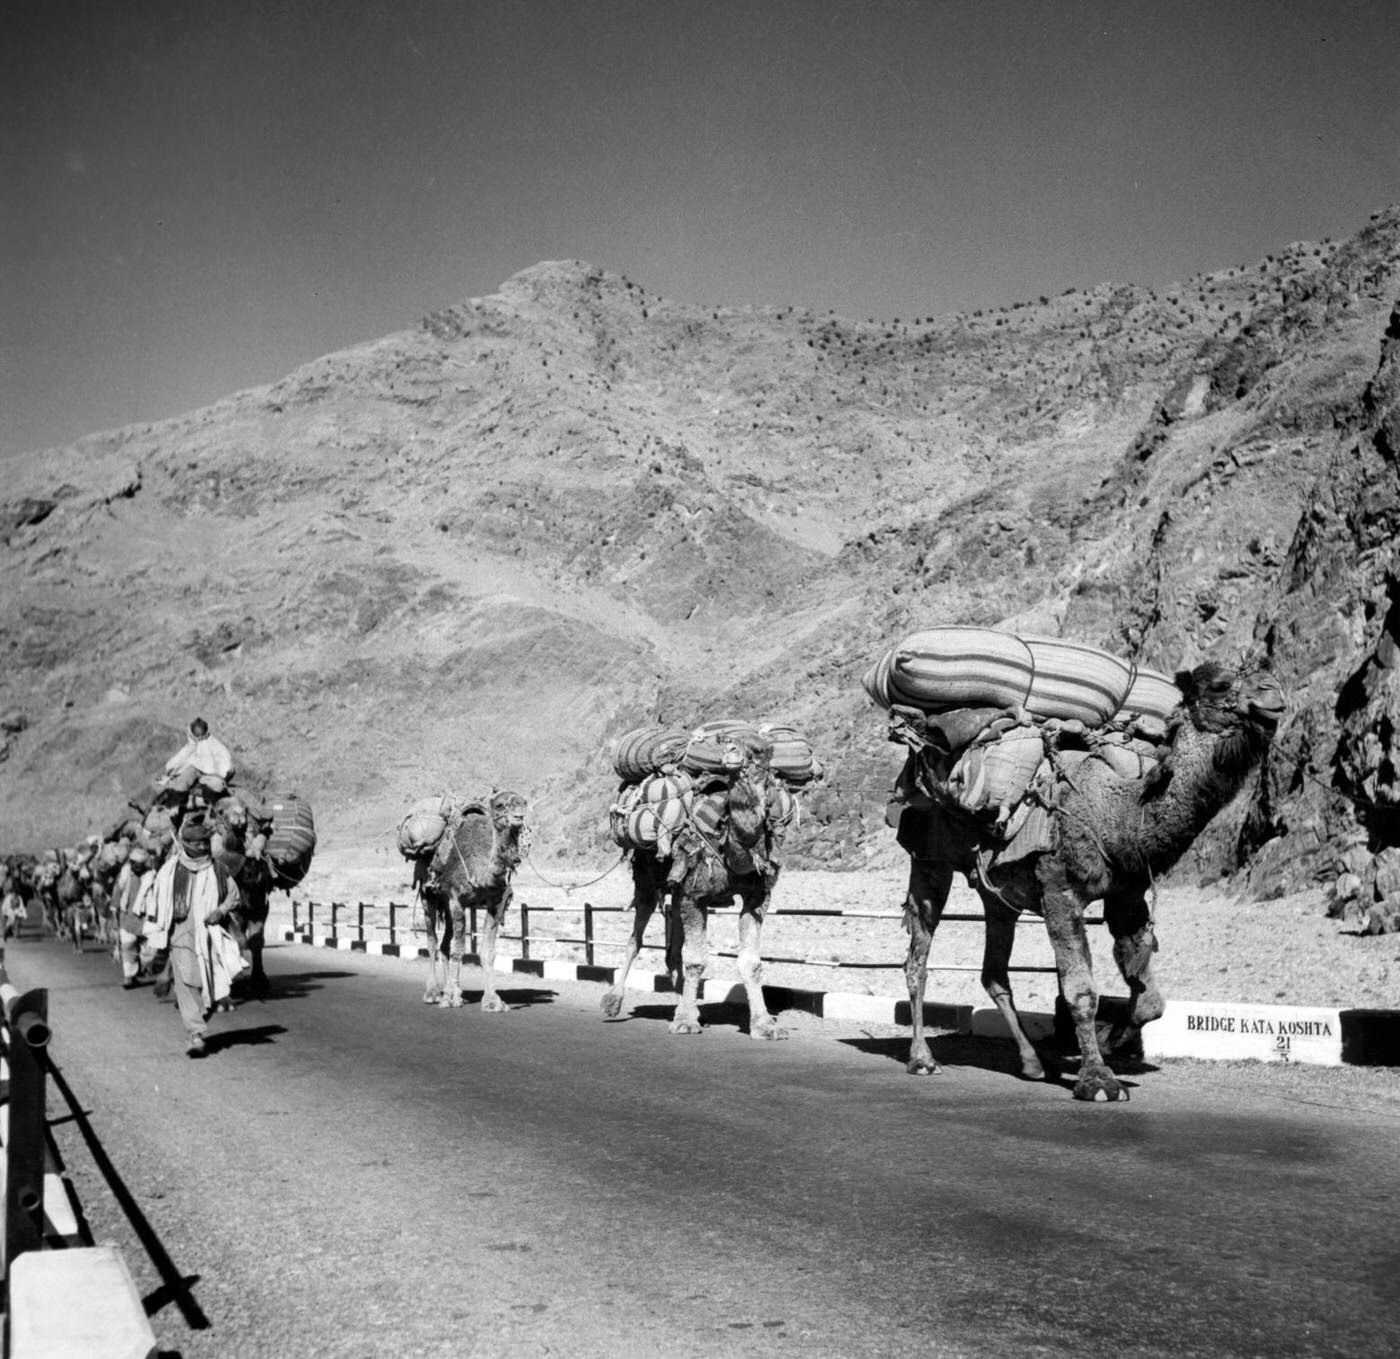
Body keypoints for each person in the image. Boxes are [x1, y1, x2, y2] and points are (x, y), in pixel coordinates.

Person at [143, 819, 246, 1057]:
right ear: (186, 843)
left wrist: (220, 911)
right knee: (188, 982)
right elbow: (157, 902)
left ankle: (198, 1022)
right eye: (197, 843)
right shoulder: (170, 870)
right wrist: (156, 936)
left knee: (210, 984)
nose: (201, 847)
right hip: (180, 934)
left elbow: (234, 897)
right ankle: (195, 1034)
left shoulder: (219, 870)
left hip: (210, 935)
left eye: (204, 843)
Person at [155, 717, 235, 807]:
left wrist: (171, 771)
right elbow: (228, 767)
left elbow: (183, 761)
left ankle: (173, 808)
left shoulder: (197, 746)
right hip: (212, 775)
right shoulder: (210, 744)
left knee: (181, 785)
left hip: (207, 777)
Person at [112, 846, 156, 988]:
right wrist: (114, 916)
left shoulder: (151, 876)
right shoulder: (125, 876)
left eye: (139, 864)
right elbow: (116, 894)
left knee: (150, 948)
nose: (136, 867)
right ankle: (129, 978)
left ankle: (141, 968)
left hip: (146, 919)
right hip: (127, 918)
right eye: (134, 863)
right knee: (128, 947)